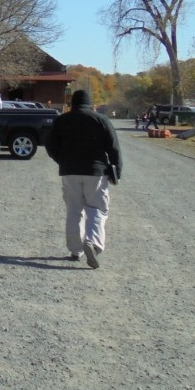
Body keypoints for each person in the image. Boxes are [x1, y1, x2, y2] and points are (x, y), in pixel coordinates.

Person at [45, 89, 122, 269]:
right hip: (95, 171)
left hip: (69, 171)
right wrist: (116, 171)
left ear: (72, 103)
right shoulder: (101, 120)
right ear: (89, 103)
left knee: (74, 210)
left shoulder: (61, 120)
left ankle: (75, 250)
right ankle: (92, 242)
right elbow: (114, 148)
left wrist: (61, 159)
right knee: (97, 209)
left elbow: (50, 145)